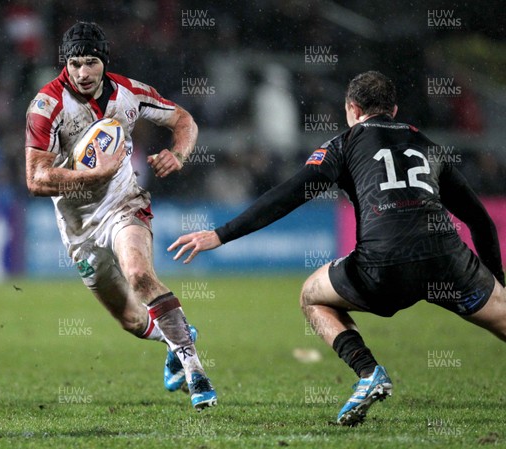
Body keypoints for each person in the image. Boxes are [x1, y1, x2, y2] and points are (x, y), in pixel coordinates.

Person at [168, 71, 505, 424]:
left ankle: (368, 372)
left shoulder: (344, 144)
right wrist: (496, 281)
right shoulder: (428, 145)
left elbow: (286, 196)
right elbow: (480, 220)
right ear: (393, 109)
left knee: (311, 296)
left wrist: (222, 234)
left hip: (383, 265)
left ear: (352, 109)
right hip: (447, 260)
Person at [24, 21, 216, 410]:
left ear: (104, 61)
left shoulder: (130, 93)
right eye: (74, 63)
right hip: (78, 226)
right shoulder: (47, 106)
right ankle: (176, 333)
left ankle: (195, 371)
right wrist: (92, 175)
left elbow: (185, 121)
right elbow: (35, 179)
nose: (82, 72)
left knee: (140, 275)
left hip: (124, 203)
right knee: (131, 320)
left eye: (90, 62)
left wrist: (178, 154)